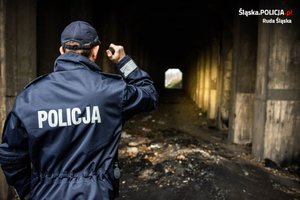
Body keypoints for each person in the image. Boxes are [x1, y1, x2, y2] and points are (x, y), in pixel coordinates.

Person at [0, 20, 159, 200]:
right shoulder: (111, 91)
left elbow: (10, 156)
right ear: (95, 51)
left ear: (61, 50)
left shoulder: (29, 97)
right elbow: (149, 94)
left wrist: (30, 191)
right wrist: (123, 61)